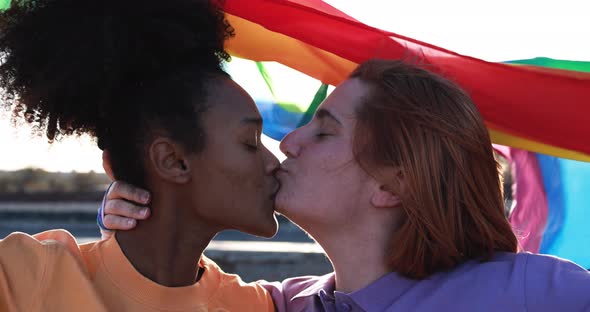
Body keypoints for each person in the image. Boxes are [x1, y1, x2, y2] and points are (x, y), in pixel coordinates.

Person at [102, 59, 590, 311]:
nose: (289, 142)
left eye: (324, 130)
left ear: (393, 183)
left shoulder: (534, 291)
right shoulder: (280, 306)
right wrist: (143, 218)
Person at [0, 0, 277, 311]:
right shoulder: (22, 276)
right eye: (251, 142)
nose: (274, 163)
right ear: (173, 161)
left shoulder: (253, 304)